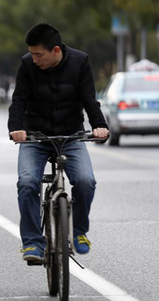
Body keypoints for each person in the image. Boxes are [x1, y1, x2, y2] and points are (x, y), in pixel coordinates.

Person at [7, 23, 109, 262]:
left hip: (71, 135)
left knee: (86, 181)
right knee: (27, 182)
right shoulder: (27, 65)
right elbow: (19, 100)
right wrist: (16, 128)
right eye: (31, 54)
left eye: (38, 54)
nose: (34, 59)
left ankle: (79, 231)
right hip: (35, 136)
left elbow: (89, 99)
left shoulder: (80, 62)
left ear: (55, 50)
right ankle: (32, 242)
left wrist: (99, 125)